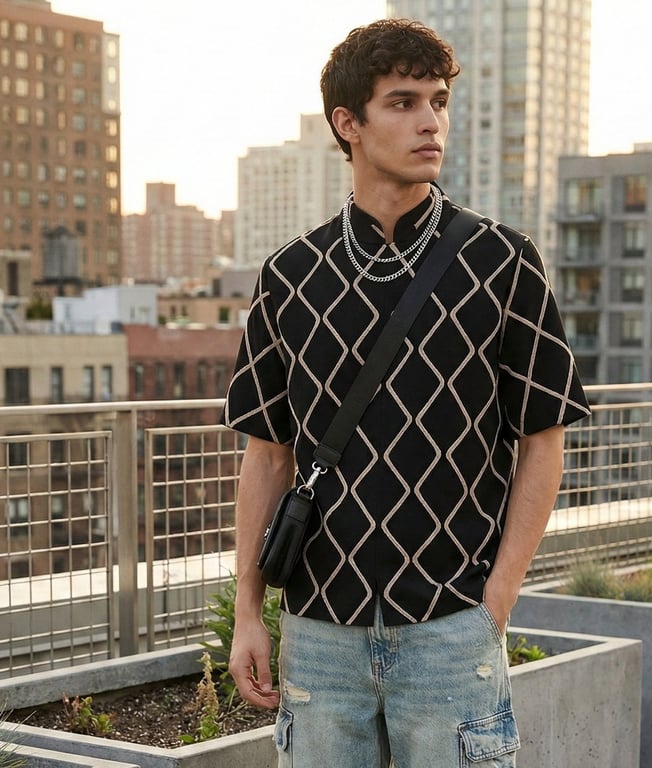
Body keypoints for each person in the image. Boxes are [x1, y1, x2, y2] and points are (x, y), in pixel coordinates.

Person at [222, 18, 591, 768]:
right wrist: (248, 614)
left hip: (451, 625)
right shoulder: (289, 275)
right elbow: (267, 455)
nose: (431, 121)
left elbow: (544, 442)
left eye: (439, 100)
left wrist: (495, 605)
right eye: (403, 102)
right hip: (321, 632)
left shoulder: (504, 262)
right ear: (347, 124)